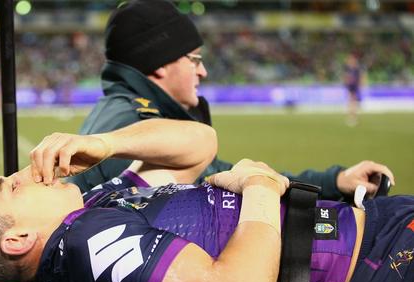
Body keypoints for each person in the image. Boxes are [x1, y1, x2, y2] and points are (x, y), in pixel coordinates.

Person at [0, 118, 414, 282]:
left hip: (381, 232)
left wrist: (105, 144)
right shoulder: (88, 241)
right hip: (384, 261)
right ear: (18, 240)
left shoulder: (98, 207)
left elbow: (199, 145)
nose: (28, 173)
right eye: (13, 186)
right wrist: (261, 186)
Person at [69, 0, 394, 201]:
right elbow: (224, 190)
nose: (204, 71)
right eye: (194, 59)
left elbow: (222, 172)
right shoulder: (138, 130)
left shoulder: (126, 116)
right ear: (159, 65)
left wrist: (334, 181)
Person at [343, 53, 362, 126]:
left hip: (354, 86)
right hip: (350, 86)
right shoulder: (348, 68)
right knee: (351, 102)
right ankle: (351, 117)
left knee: (352, 102)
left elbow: (359, 78)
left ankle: (353, 118)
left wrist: (359, 85)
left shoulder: (356, 69)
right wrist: (346, 83)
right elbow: (346, 77)